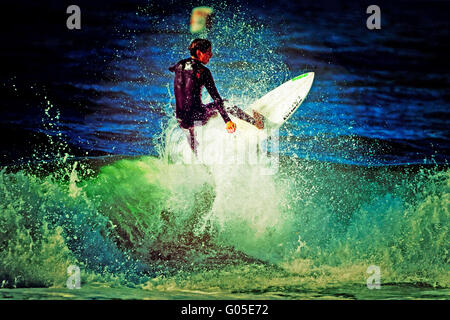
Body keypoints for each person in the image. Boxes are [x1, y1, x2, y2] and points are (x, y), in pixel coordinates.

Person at [169, 38, 264, 155]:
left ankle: (199, 160)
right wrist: (227, 121)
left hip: (181, 119)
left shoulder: (179, 65)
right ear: (199, 53)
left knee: (192, 133)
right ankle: (256, 123)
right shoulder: (203, 72)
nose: (211, 55)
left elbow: (172, 68)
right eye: (208, 52)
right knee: (224, 103)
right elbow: (217, 99)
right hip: (198, 116)